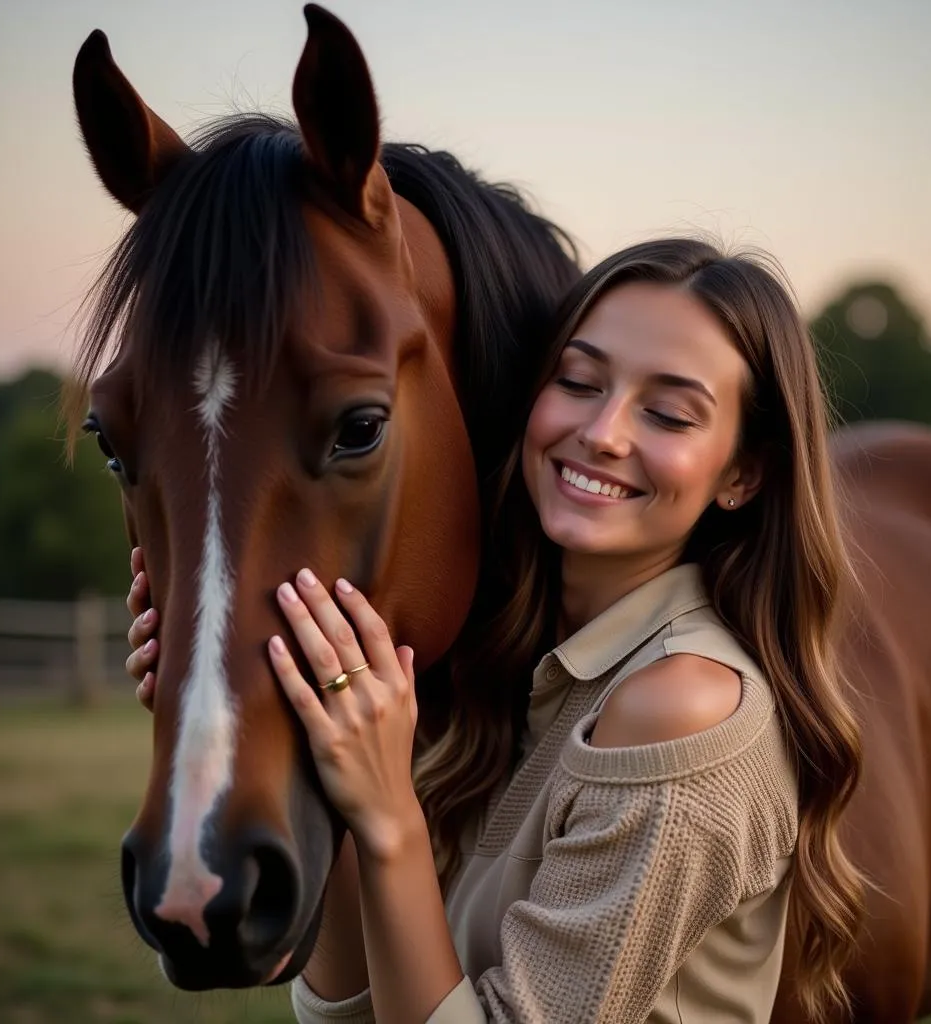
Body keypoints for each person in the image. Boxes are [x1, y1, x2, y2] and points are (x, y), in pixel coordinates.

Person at [126, 238, 864, 1023]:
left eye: (669, 413)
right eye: (578, 382)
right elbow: (353, 1014)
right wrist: (320, 740)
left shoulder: (680, 710)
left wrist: (389, 817)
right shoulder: (530, 672)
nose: (603, 431)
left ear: (743, 474)